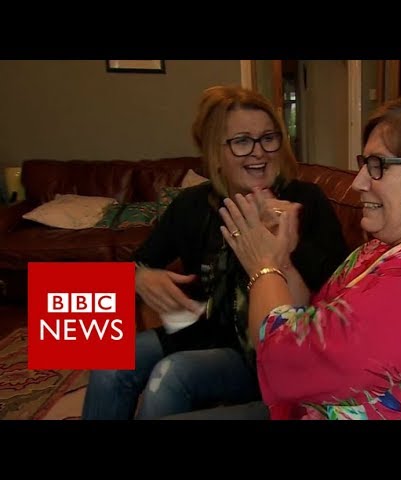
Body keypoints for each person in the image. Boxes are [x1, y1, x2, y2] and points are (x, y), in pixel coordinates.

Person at [214, 93, 401, 420]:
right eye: (364, 163)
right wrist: (281, 261)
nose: (358, 182)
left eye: (378, 165)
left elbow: (287, 361)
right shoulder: (380, 249)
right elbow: (309, 322)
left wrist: (262, 265)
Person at [81, 85, 349, 420]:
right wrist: (139, 277)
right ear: (215, 154)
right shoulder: (191, 206)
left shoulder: (306, 201)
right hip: (202, 329)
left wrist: (284, 239)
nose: (259, 152)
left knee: (170, 375)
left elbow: (339, 289)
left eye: (268, 138)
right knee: (107, 361)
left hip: (264, 350)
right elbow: (137, 263)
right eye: (242, 141)